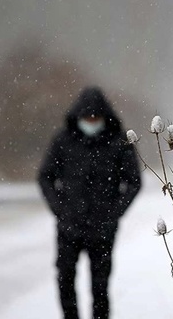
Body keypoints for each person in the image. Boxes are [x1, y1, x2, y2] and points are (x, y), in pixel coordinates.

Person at [38, 86, 141, 319]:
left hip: (102, 229)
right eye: (87, 117)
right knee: (65, 279)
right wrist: (60, 210)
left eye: (96, 117)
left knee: (100, 287)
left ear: (105, 117)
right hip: (69, 227)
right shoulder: (63, 140)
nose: (91, 121)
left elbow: (134, 181)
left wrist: (114, 213)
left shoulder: (119, 142)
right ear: (78, 116)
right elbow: (45, 176)